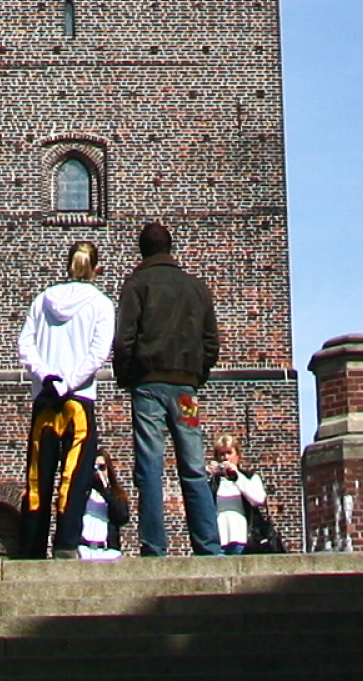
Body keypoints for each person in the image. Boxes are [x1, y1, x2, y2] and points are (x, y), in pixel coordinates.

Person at [110, 220, 222, 557]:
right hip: (186, 388)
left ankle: (154, 546)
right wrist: (196, 374)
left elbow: (125, 339)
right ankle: (208, 546)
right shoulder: (196, 287)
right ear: (171, 247)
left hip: (148, 386)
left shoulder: (136, 285)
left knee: (150, 466)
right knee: (193, 465)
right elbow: (211, 341)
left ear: (142, 251)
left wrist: (127, 377)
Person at [15, 236, 116, 557]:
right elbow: (98, 353)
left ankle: (32, 544)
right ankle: (66, 542)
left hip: (44, 398)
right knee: (74, 475)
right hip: (78, 399)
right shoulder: (101, 303)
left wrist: (48, 376)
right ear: (96, 269)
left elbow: (25, 345)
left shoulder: (43, 300)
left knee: (37, 477)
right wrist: (69, 382)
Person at [209, 434, 269, 555]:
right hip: (218, 541)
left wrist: (236, 476)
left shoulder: (249, 477)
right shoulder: (212, 483)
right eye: (221, 454)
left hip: (242, 540)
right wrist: (206, 477)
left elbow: (259, 499)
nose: (225, 458)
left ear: (237, 455)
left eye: (229, 453)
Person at [77, 453, 131, 560]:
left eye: (102, 467)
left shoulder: (116, 494)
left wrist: (105, 491)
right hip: (83, 550)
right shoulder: (81, 494)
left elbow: (122, 517)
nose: (98, 472)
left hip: (108, 551)